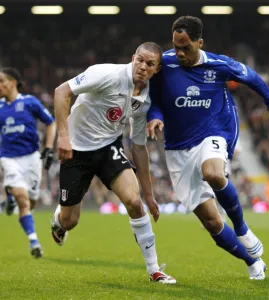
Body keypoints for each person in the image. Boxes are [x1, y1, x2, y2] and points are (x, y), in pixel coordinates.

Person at [147, 16, 269, 280]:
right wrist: (156, 115)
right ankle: (252, 262)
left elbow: (250, 76)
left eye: (186, 47)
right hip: (177, 147)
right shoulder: (165, 63)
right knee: (212, 223)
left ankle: (242, 228)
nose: (180, 53)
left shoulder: (218, 64)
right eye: (176, 46)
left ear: (200, 42)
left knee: (214, 173)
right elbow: (155, 100)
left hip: (215, 129)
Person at [50, 42, 176, 284]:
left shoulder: (146, 99)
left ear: (157, 70)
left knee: (134, 202)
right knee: (70, 221)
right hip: (76, 151)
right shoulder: (106, 74)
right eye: (140, 60)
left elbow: (138, 147)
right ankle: (58, 220)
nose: (142, 67)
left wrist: (149, 195)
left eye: (150, 64)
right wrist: (63, 137)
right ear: (133, 58)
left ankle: (154, 270)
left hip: (109, 148)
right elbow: (61, 92)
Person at [0, 67, 56, 258]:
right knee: (23, 201)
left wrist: (48, 148)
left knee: (30, 203)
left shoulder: (30, 102)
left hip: (32, 158)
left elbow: (50, 122)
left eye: (1, 81)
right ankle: (34, 242)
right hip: (9, 158)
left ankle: (9, 194)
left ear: (13, 82)